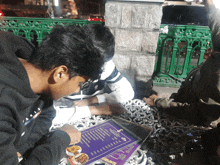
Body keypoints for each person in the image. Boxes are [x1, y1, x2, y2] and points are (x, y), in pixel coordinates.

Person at [0, 25, 103, 164]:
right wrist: (60, 139)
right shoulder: (4, 102)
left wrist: (22, 148)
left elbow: (46, 114)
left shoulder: (40, 78)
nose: (78, 90)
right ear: (60, 73)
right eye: (80, 84)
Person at [144, 0, 220, 127]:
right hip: (186, 98)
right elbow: (216, 24)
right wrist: (209, 4)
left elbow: (198, 114)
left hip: (196, 124)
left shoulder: (218, 78)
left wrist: (159, 102)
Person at [53, 24, 134, 124]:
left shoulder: (105, 64)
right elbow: (49, 115)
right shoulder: (63, 67)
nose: (99, 69)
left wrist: (93, 100)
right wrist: (94, 110)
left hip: (96, 112)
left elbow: (127, 92)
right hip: (66, 114)